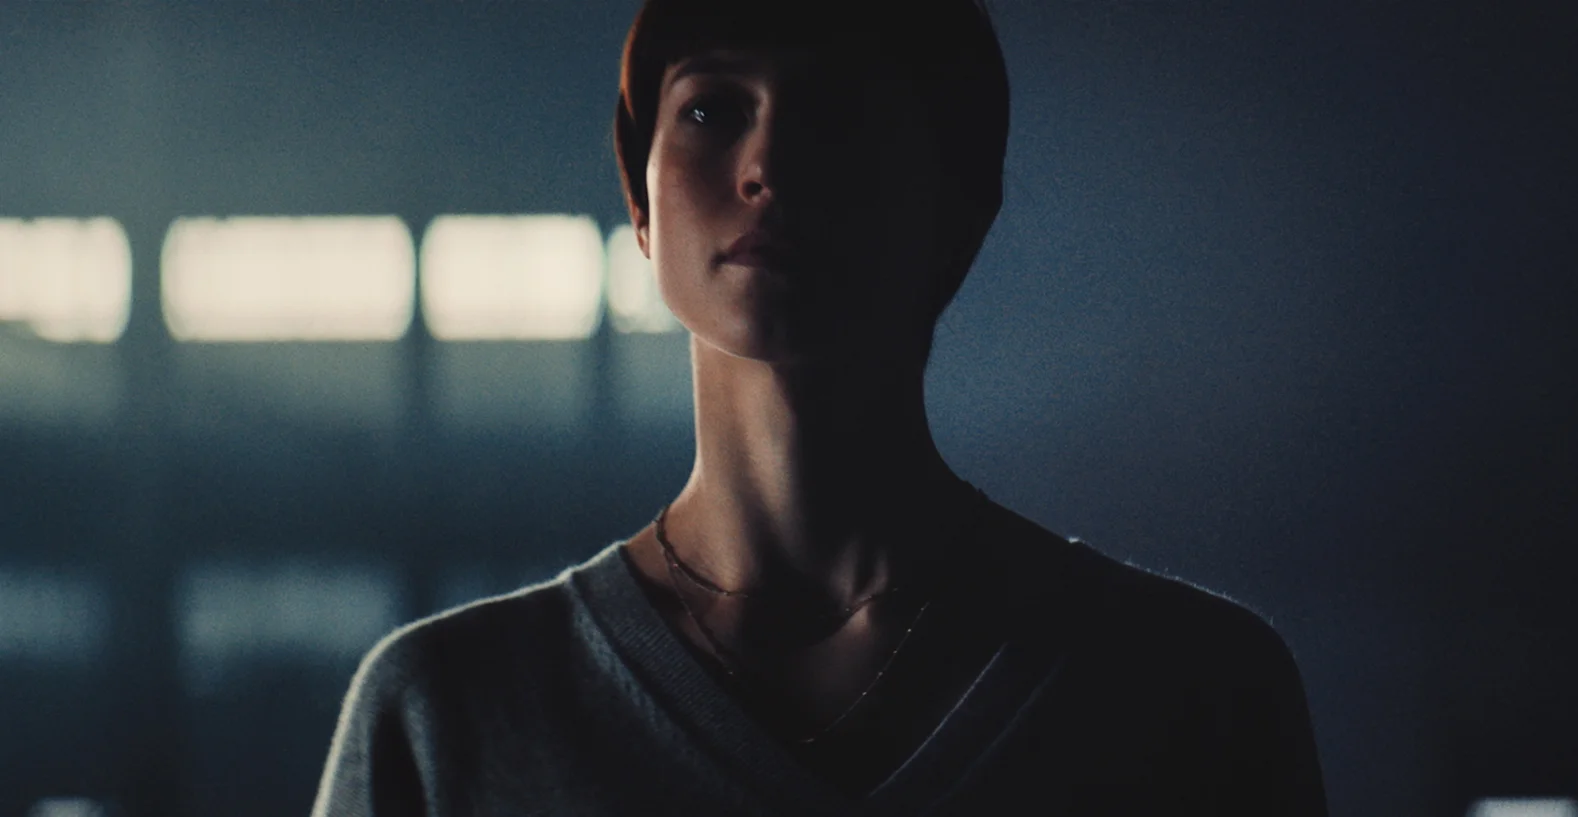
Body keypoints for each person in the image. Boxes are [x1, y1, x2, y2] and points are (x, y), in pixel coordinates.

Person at [311, 0, 1327, 814]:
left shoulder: (1194, 692)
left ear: (960, 200)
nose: (768, 166)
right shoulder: (449, 713)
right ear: (640, 198)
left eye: (842, 111)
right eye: (711, 109)